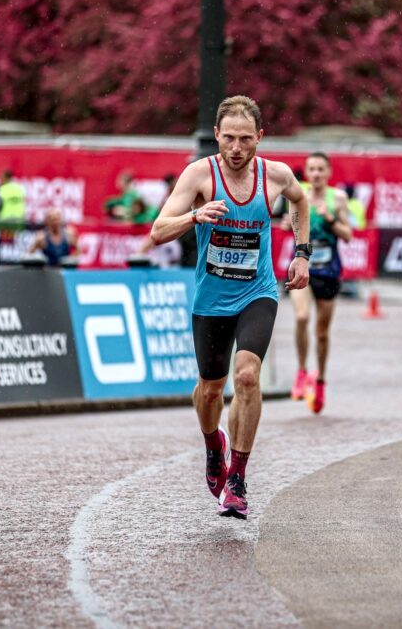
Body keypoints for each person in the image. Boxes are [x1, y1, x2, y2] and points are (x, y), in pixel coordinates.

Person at [150, 95, 310, 520]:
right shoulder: (199, 174)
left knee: (247, 377)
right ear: (216, 136)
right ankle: (213, 446)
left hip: (257, 292)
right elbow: (157, 230)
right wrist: (195, 216)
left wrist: (302, 253)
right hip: (211, 299)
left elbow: (301, 200)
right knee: (209, 390)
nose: (236, 149)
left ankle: (237, 479)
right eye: (229, 139)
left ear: (259, 137)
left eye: (245, 139)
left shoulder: (274, 175)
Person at [286, 152, 352, 414]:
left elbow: (347, 235)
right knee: (302, 317)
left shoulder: (338, 198)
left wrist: (330, 219)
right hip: (302, 268)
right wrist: (286, 225)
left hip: (328, 271)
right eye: (311, 169)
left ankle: (321, 379)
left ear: (328, 172)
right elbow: (290, 226)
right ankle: (302, 372)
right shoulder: (298, 195)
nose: (315, 174)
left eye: (320, 169)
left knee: (322, 332)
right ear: (306, 172)